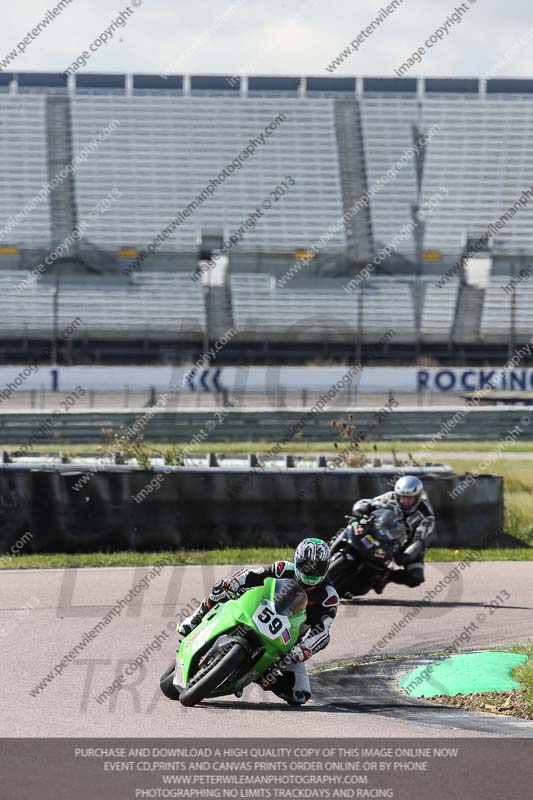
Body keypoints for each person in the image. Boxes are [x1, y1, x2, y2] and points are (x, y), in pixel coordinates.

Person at [178, 538, 339, 705]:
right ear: (297, 559)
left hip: (286, 641)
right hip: (255, 611)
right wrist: (233, 582)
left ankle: (260, 675)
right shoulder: (283, 568)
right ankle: (196, 618)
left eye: (318, 567)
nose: (311, 571)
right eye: (306, 564)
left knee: (299, 695)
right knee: (221, 588)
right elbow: (251, 574)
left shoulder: (328, 596)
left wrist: (305, 649)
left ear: (326, 568)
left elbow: (323, 632)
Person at [352, 475, 435, 591]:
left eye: (410, 498)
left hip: (405, 546)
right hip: (380, 533)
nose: (405, 501)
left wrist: (407, 555)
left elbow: (420, 541)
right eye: (402, 497)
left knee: (415, 576)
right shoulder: (389, 497)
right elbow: (369, 503)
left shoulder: (426, 514)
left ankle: (387, 576)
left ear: (418, 497)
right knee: (355, 525)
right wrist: (361, 509)